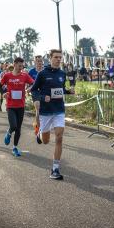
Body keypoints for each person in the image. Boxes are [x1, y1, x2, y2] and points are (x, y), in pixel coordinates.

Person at [31, 49, 75, 180]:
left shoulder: (62, 73)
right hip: (46, 111)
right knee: (45, 141)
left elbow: (59, 90)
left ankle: (55, 168)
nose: (58, 59)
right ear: (50, 58)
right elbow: (34, 90)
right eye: (56, 57)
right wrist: (43, 97)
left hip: (59, 110)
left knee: (59, 137)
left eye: (60, 57)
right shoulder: (42, 73)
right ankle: (40, 133)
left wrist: (68, 91)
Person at [1, 57, 34, 156]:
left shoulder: (25, 75)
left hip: (21, 105)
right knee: (14, 126)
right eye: (19, 66)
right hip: (10, 105)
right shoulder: (7, 76)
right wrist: (3, 93)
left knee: (18, 128)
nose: (21, 68)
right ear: (14, 64)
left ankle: (15, 147)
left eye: (22, 66)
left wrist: (29, 89)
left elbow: (34, 83)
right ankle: (9, 132)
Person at [28, 55, 44, 139]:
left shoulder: (45, 71)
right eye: (37, 61)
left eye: (41, 61)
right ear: (34, 62)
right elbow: (27, 82)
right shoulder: (31, 72)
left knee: (43, 111)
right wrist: (27, 89)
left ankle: (36, 124)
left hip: (44, 92)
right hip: (35, 92)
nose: (39, 62)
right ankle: (39, 129)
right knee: (38, 108)